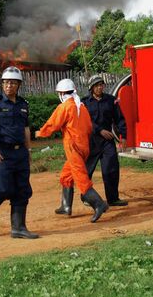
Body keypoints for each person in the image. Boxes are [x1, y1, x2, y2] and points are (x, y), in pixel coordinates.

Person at [36, 78, 109, 223]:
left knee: (81, 178)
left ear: (62, 94)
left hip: (73, 148)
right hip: (84, 146)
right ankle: (66, 206)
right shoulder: (82, 107)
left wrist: (39, 133)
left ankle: (99, 204)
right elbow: (89, 128)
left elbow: (53, 125)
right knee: (66, 176)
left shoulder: (65, 107)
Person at [0, 66, 38, 239]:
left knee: (22, 190)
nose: (8, 86)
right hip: (2, 153)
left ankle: (18, 228)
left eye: (12, 83)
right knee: (4, 189)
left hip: (20, 154)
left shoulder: (23, 104)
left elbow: (26, 128)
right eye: (5, 82)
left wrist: (29, 149)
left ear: (18, 85)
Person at [82, 75, 128, 207]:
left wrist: (123, 136)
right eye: (97, 85)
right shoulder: (85, 102)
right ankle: (87, 197)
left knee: (111, 169)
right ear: (91, 88)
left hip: (108, 142)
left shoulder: (111, 101)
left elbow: (119, 119)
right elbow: (86, 121)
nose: (100, 87)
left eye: (101, 84)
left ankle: (113, 198)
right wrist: (99, 130)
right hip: (92, 141)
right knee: (87, 171)